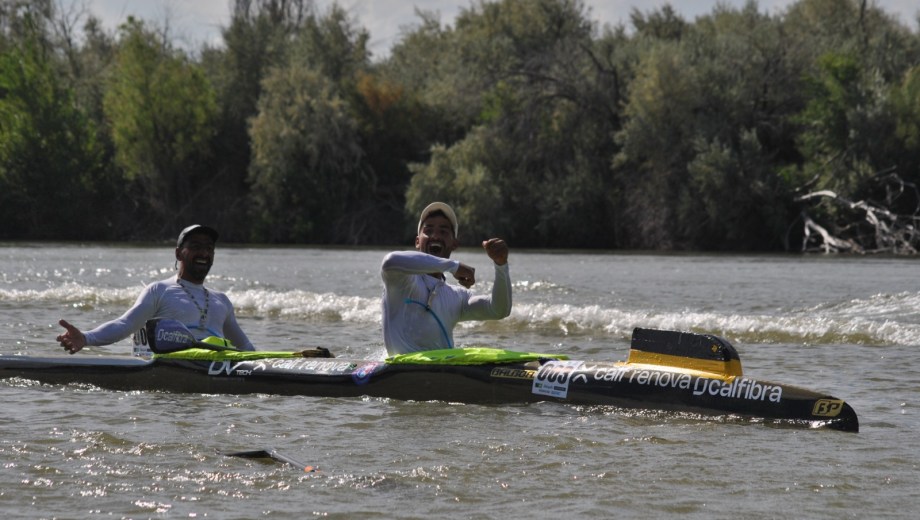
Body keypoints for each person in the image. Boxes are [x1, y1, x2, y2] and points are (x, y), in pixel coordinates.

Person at [56, 224, 255, 354]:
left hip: (217, 365)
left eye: (209, 248)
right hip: (170, 367)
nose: (204, 253)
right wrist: (86, 338)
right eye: (196, 247)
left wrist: (266, 365)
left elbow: (245, 347)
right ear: (178, 254)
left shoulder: (222, 300)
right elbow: (125, 324)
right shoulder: (159, 290)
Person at [381, 202, 512, 355]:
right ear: (417, 242)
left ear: (454, 244)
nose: (436, 236)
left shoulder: (458, 297)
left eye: (443, 231)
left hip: (442, 368)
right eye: (428, 230)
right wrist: (453, 266)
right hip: (399, 367)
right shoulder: (401, 280)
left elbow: (499, 310)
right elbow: (390, 262)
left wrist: (501, 265)